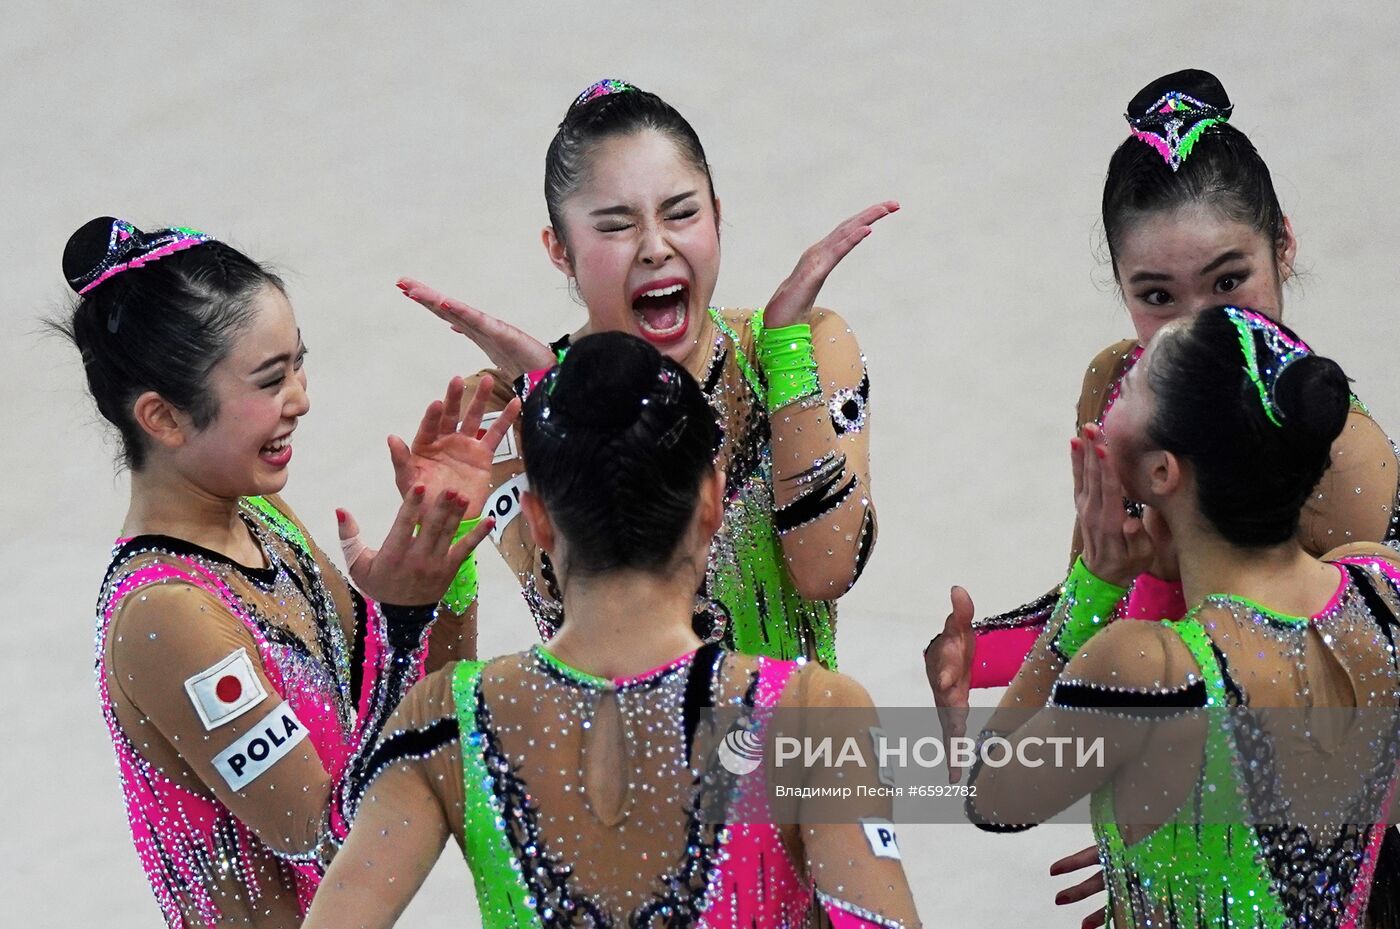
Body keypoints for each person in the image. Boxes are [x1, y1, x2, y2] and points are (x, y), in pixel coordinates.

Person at [303, 332, 921, 929]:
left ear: (539, 519)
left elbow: (328, 839)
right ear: (709, 503)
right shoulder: (807, 712)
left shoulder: (448, 717)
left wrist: (411, 613)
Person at [61, 217, 516, 928]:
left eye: (299, 363)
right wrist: (403, 615)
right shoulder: (165, 613)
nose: (300, 397)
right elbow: (334, 841)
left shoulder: (262, 516)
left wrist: (443, 546)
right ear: (164, 417)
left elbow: (426, 714)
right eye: (271, 379)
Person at [928, 66, 1399, 728]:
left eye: (1229, 280)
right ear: (1121, 286)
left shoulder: (1341, 457)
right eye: (1157, 296)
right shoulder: (1116, 390)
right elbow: (1097, 595)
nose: (1199, 324)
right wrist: (975, 654)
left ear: (1284, 246)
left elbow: (1342, 750)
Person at [395, 79, 897, 668]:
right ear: (560, 250)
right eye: (616, 226)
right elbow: (584, 619)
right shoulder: (508, 403)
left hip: (794, 746)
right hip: (623, 752)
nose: (656, 246)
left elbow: (825, 568)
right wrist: (557, 394)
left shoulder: (800, 347)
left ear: (717, 213)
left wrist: (785, 351)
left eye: (682, 212)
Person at [965, 305, 1400, 929]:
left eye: (1134, 383)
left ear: (1162, 470)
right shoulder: (1382, 585)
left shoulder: (1152, 669)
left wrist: (1094, 584)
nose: (1111, 397)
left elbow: (992, 793)